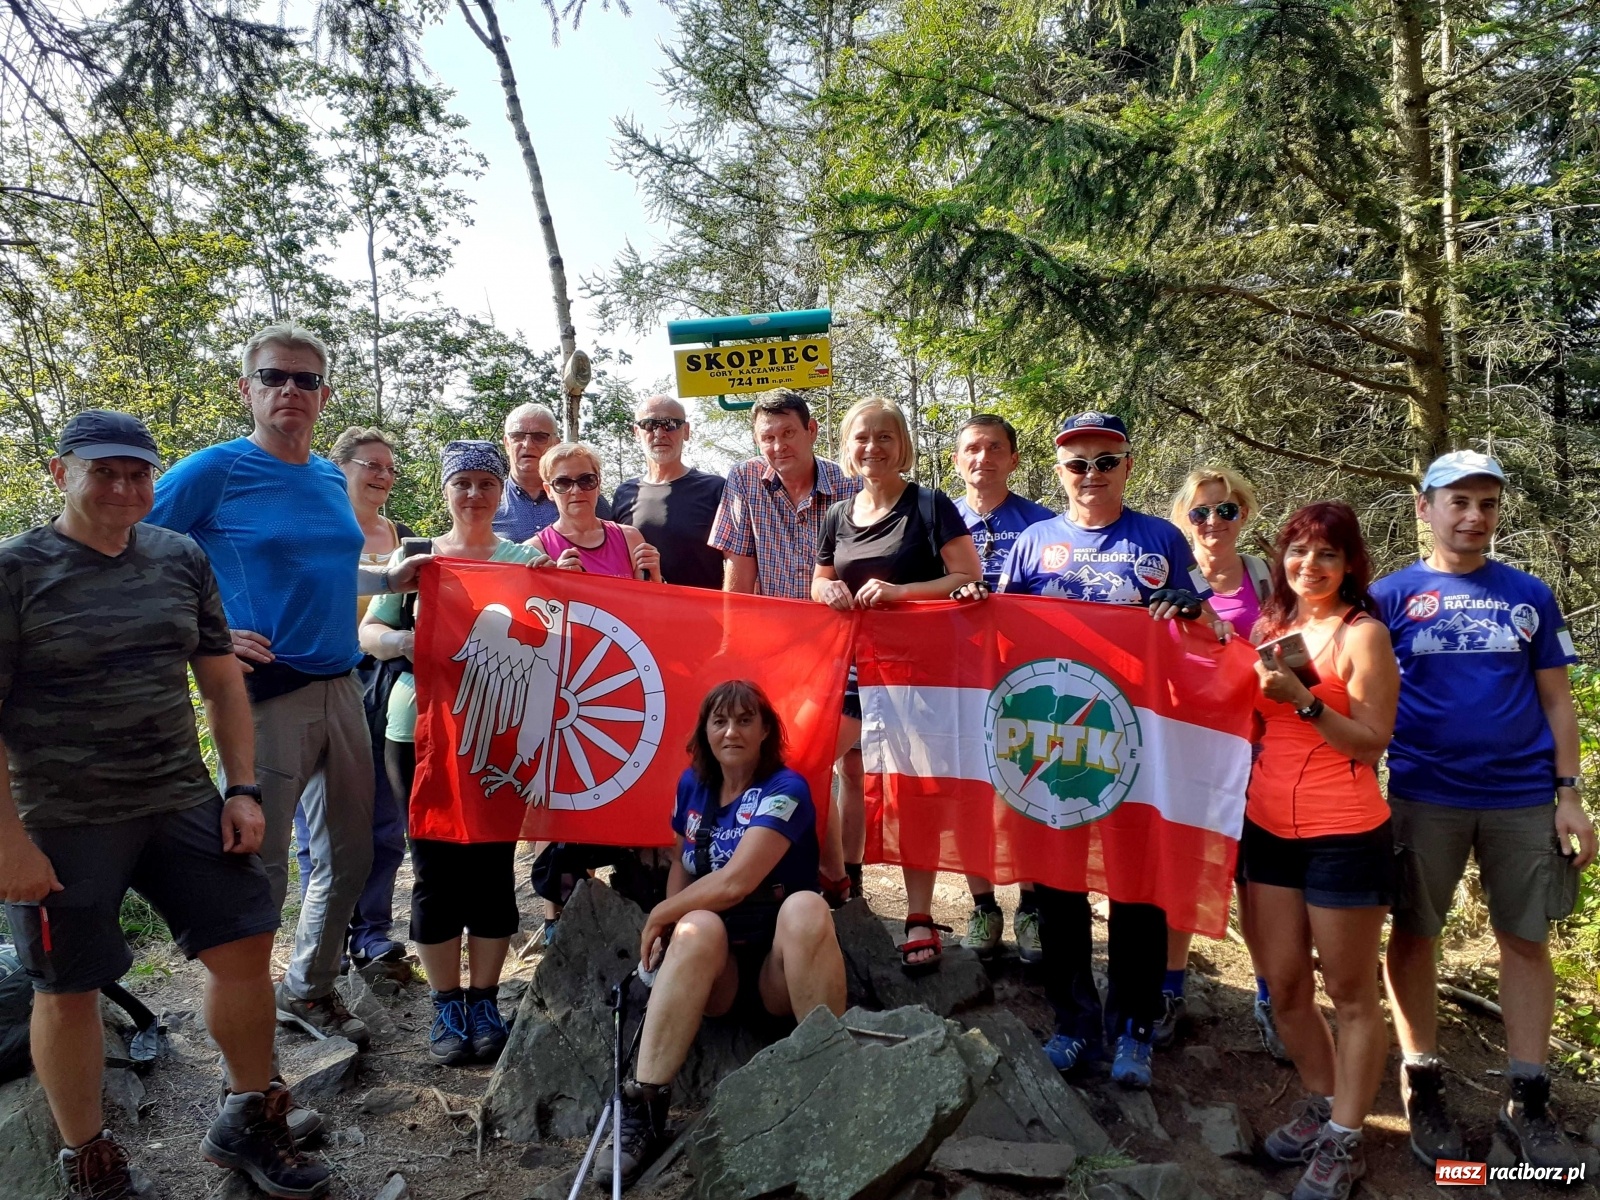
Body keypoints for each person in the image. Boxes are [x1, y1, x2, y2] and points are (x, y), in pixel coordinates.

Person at [0, 411, 328, 1200]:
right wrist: (8, 844)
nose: (124, 486)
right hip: (62, 815)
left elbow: (220, 679)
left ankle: (250, 1115)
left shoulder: (179, 556)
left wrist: (241, 788)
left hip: (181, 794)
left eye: (139, 472)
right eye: (103, 470)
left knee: (245, 939)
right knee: (68, 985)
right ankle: (92, 1162)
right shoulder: (16, 571)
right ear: (60, 473)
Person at [149, 322, 429, 1048]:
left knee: (352, 851)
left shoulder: (329, 479)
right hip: (263, 693)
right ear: (246, 389)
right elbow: (126, 548)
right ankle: (249, 1017)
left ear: (323, 395)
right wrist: (197, 632)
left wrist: (386, 578)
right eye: (274, 377)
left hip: (342, 683)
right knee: (261, 862)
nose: (290, 392)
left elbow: (326, 568)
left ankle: (310, 988)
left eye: (305, 381)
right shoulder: (214, 471)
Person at [990, 411, 1228, 1091]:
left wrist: (1191, 609)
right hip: (1057, 740)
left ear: (1127, 466)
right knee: (1059, 887)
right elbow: (1001, 637)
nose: (1090, 475)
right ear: (1060, 472)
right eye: (1077, 463)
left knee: (1139, 889)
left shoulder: (1159, 538)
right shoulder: (1034, 542)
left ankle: (1132, 1029)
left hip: (1139, 741)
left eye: (1105, 461)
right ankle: (1071, 1023)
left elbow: (1213, 635)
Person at [1373, 451, 1595, 1172]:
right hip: (1422, 794)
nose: (1474, 516)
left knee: (1525, 939)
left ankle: (1528, 1097)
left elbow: (1559, 701)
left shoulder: (1528, 594)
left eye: (1487, 504)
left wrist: (1571, 795)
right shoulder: (1390, 596)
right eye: (1459, 502)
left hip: (1522, 796)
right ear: (1425, 508)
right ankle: (1423, 1079)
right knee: (1414, 932)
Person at [601, 681, 847, 1190]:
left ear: (764, 732)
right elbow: (682, 868)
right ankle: (643, 1105)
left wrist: (658, 914)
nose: (731, 731)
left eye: (743, 721)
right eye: (719, 721)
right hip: (720, 974)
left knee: (807, 906)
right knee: (696, 925)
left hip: (781, 971)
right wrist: (668, 925)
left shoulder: (787, 789)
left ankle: (833, 1080)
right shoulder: (692, 787)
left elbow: (737, 881)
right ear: (705, 732)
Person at [362, 441, 548, 1067]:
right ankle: (446, 1004)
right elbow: (368, 631)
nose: (474, 494)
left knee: (493, 870)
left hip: (497, 732)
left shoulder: (526, 559)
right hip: (416, 731)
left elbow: (561, 626)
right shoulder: (416, 559)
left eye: (485, 483)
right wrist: (406, 638)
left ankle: (485, 999)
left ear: (502, 492)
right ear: (445, 489)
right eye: (462, 482)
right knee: (435, 871)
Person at [1242, 502, 1398, 1200]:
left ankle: (1345, 1140)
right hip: (1267, 827)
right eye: (1298, 552)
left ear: (1350, 564)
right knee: (1284, 984)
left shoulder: (1364, 636)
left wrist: (1306, 702)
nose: (1310, 566)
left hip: (1345, 833)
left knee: (1351, 994)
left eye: (1327, 555)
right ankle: (1322, 1101)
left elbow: (1371, 740)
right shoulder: (1273, 628)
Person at [814, 397, 981, 973]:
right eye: (862, 437)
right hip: (854, 668)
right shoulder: (836, 514)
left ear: (902, 444)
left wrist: (901, 592)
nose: (873, 448)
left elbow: (968, 575)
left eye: (885, 437)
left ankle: (918, 915)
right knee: (810, 766)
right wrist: (827, 592)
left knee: (916, 790)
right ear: (847, 446)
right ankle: (838, 882)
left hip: (921, 672)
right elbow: (820, 579)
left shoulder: (931, 506)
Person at [710, 389, 863, 898]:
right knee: (796, 761)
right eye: (767, 437)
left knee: (810, 760)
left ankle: (829, 875)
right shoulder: (744, 480)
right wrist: (734, 648)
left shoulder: (850, 483)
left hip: (845, 649)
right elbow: (739, 570)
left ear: (812, 430)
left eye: (788, 434)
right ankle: (831, 878)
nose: (778, 446)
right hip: (776, 654)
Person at [1156, 466, 1282, 1054]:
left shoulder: (1267, 580)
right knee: (1187, 872)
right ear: (1183, 517)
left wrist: (1221, 633)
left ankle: (1270, 996)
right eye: (1201, 512)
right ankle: (1171, 989)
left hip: (1256, 750)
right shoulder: (1163, 577)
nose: (1213, 522)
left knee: (1255, 882)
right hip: (1186, 748)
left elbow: (1286, 657)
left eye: (1226, 511)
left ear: (1245, 515)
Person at [292, 427, 414, 983]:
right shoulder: (313, 530)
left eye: (390, 466)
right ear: (340, 469)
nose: (383, 475)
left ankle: (372, 932)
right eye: (371, 465)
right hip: (315, 680)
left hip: (382, 684)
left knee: (384, 815)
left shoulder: (405, 538)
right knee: (318, 821)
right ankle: (327, 938)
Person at [528, 442, 664, 933]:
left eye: (586, 479)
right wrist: (554, 588)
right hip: (568, 695)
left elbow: (659, 617)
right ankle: (558, 919)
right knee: (565, 800)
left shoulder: (628, 538)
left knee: (629, 794)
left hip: (625, 691)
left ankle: (641, 907)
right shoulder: (538, 550)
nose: (576, 490)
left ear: (599, 482)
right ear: (548, 489)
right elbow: (530, 631)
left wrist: (657, 575)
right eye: (563, 482)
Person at [949, 414, 1054, 963]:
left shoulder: (1043, 525)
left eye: (995, 448)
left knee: (1026, 789)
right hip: (959, 677)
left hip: (1024, 679)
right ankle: (982, 905)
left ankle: (1032, 906)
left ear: (1013, 459)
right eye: (972, 448)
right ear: (957, 459)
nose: (982, 458)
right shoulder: (939, 520)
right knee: (969, 794)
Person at [611, 395, 726, 589]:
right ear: (637, 432)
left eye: (670, 424)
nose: (660, 433)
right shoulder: (624, 493)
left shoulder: (716, 489)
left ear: (686, 431)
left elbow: (739, 562)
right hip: (640, 615)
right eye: (649, 424)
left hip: (702, 615)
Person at [494, 402, 611, 541]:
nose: (527, 444)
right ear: (507, 443)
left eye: (539, 437)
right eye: (518, 436)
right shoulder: (487, 502)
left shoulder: (586, 497)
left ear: (555, 444)